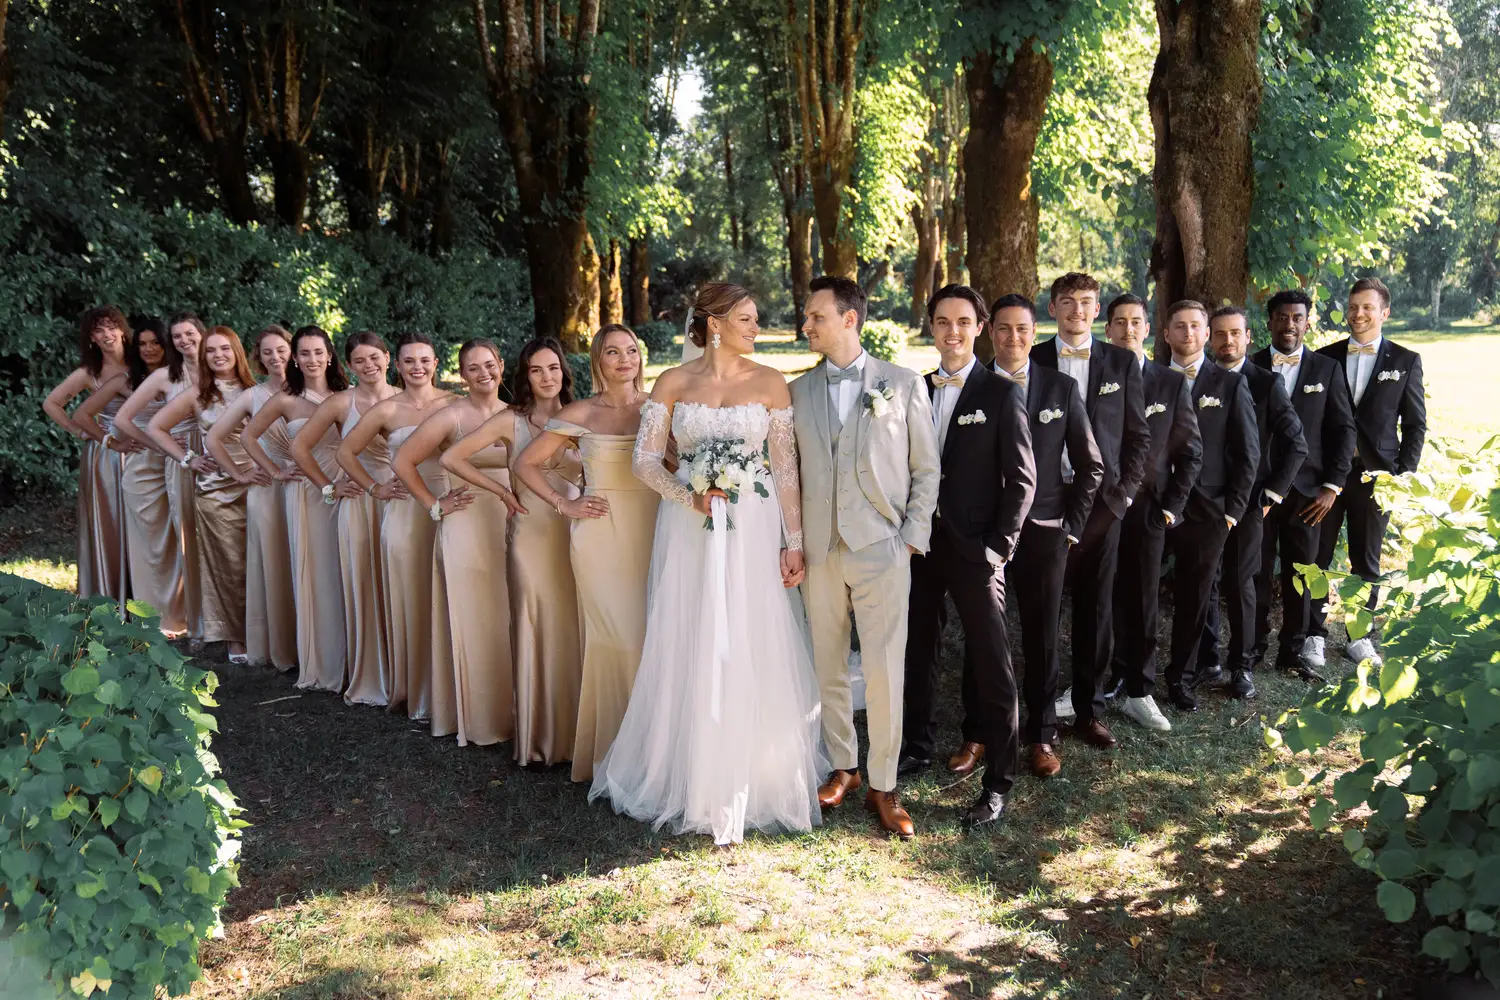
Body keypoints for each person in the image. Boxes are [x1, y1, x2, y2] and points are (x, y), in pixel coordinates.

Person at [590, 282, 826, 846]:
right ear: (715, 323)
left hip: (753, 524)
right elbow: (646, 460)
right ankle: (688, 770)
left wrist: (792, 542)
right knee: (691, 627)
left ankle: (757, 771)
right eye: (746, 318)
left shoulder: (772, 383)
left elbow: (785, 470)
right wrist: (687, 495)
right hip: (691, 524)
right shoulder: (673, 382)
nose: (756, 327)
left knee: (751, 630)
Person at [790, 275, 939, 839]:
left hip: (882, 546)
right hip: (821, 550)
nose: (806, 325)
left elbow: (926, 470)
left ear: (849, 319)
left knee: (882, 669)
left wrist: (909, 538)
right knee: (827, 663)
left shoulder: (901, 385)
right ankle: (843, 767)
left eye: (816, 317)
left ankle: (884, 783)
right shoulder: (797, 392)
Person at [901, 284, 1035, 831]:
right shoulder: (913, 388)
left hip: (975, 550)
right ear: (931, 328)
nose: (952, 332)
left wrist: (998, 548)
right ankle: (915, 745)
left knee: (992, 663)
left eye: (962, 322)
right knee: (917, 649)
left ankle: (998, 782)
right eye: (941, 322)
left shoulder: (1001, 394)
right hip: (919, 545)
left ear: (979, 327)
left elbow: (1023, 480)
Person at [505, 328, 650, 780]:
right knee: (615, 640)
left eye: (631, 351)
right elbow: (524, 464)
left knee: (653, 637)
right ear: (597, 361)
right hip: (600, 536)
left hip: (656, 529)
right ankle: (611, 751)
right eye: (612, 352)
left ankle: (655, 750)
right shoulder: (579, 412)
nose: (624, 360)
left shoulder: (658, 408)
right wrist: (564, 503)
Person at [1031, 273, 1150, 749]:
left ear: (1096, 309)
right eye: (1067, 302)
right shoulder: (1034, 358)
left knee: (1096, 607)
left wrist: (1122, 497)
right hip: (1043, 497)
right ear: (1053, 308)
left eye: (1085, 302)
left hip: (1103, 505)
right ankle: (1040, 714)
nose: (1077, 310)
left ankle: (1089, 709)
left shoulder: (1121, 362)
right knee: (1042, 607)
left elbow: (1139, 437)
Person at [990, 294, 1102, 778]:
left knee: (1041, 637)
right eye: (1003, 329)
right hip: (985, 529)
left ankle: (1042, 735)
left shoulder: (1060, 387)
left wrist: (1072, 527)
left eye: (1022, 329)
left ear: (1033, 333)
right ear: (989, 333)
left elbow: (1091, 463)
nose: (1013, 338)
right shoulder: (974, 386)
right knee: (987, 636)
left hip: (1046, 527)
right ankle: (981, 732)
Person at [396, 338, 516, 746]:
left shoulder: (514, 413)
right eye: (474, 368)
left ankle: (514, 707)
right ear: (462, 375)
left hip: (507, 517)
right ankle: (474, 714)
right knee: (472, 614)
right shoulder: (452, 416)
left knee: (506, 612)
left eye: (490, 365)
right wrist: (434, 503)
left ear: (502, 365)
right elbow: (402, 462)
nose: (484, 374)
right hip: (464, 520)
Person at [336, 333, 457, 720]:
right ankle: (415, 689)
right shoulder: (387, 410)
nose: (417, 367)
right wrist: (374, 487)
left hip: (452, 507)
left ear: (436, 363)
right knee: (412, 598)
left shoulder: (455, 402)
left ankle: (453, 686)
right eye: (409, 361)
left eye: (425, 360)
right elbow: (344, 451)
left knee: (449, 595)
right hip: (406, 512)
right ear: (398, 365)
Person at [1315, 277, 1426, 669]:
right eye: (1353, 307)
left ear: (1385, 312)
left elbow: (1414, 425)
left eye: (1367, 307)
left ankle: (1359, 636)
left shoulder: (1405, 361)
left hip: (1375, 476)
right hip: (1327, 474)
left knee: (1367, 559)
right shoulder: (1325, 357)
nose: (1358, 314)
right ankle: (1314, 633)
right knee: (1318, 553)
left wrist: (1401, 476)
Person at [1103, 294, 1201, 732]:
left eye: (1135, 322)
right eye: (1119, 322)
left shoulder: (1169, 383)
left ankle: (1140, 689)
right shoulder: (1095, 377)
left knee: (1143, 599)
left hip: (1148, 510)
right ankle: (1102, 678)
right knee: (1099, 596)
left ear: (1148, 329)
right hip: (1101, 507)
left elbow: (1192, 453)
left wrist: (1169, 509)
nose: (1127, 330)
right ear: (1107, 330)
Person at [1198, 306, 1306, 700]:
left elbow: (1296, 443)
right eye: (1220, 334)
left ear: (1248, 337)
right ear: (1210, 338)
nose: (1227, 341)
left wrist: (1271, 497)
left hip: (1249, 502)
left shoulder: (1266, 383)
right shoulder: (1198, 379)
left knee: (1241, 581)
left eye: (1235, 334)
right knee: (1204, 580)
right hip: (1203, 501)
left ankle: (1241, 666)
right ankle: (1207, 658)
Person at [288, 332, 401, 706]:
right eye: (360, 361)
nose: (369, 366)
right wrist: (328, 488)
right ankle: (370, 672)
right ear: (349, 366)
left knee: (400, 583)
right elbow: (299, 447)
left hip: (402, 499)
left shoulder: (407, 399)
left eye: (375, 358)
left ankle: (406, 671)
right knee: (363, 581)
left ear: (387, 358)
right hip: (360, 498)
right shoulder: (340, 403)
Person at [1158, 301, 1259, 711]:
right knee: (1139, 593)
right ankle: (1130, 674)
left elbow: (1248, 453)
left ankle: (1181, 678)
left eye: (1195, 327)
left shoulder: (1231, 385)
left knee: (1195, 597)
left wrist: (1232, 511)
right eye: (1178, 326)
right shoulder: (1151, 379)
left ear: (1205, 334)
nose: (1186, 333)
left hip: (1208, 511)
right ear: (1165, 334)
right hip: (1155, 505)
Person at [1251, 290, 1356, 677]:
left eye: (1297, 317)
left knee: (1303, 572)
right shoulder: (1252, 365)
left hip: (1309, 491)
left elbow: (1344, 429)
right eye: (1281, 317)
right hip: (1259, 490)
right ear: (1270, 322)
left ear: (1307, 322)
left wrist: (1333, 486)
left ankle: (1293, 650)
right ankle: (1253, 645)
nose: (1289, 325)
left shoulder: (1326, 369)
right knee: (1256, 569)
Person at [240, 325, 350, 693]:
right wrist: (273, 470)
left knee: (348, 567)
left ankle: (358, 656)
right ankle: (323, 658)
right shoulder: (287, 399)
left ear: (330, 355)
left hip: (351, 488)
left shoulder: (346, 394)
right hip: (308, 492)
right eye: (304, 353)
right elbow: (247, 436)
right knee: (319, 571)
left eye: (318, 352)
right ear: (295, 359)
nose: (312, 359)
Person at [147, 326, 257, 662]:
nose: (219, 355)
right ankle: (234, 638)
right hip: (216, 491)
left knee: (261, 563)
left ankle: (266, 631)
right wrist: (188, 458)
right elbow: (155, 427)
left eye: (225, 348)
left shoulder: (257, 390)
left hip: (259, 486)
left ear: (237, 351)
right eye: (211, 351)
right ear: (204, 357)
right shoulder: (199, 394)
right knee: (229, 565)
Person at [76, 317, 187, 634]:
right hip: (143, 467)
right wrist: (111, 441)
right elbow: (81, 415)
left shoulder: (185, 378)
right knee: (151, 547)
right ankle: (155, 615)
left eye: (156, 342)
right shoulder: (126, 381)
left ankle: (189, 611)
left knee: (183, 540)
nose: (150, 349)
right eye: (143, 344)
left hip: (180, 464)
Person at [206, 326, 299, 671]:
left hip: (310, 485)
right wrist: (242, 473)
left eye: (282, 350)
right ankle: (280, 643)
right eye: (268, 352)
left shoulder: (324, 390)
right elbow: (215, 438)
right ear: (257, 359)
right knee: (275, 563)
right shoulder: (252, 396)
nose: (277, 358)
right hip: (269, 490)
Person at [43, 306, 135, 600]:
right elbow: (52, 403)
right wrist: (75, 428)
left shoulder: (144, 361)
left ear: (122, 329)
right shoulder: (89, 372)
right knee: (111, 521)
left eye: (111, 327)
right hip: (107, 453)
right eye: (98, 330)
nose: (106, 335)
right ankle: (110, 591)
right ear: (91, 339)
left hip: (146, 447)